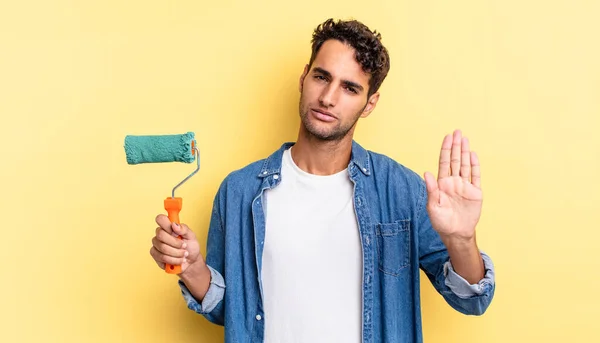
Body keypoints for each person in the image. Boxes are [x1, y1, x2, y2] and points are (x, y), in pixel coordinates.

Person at [149, 18, 495, 343]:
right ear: (304, 77)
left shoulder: (401, 191)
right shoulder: (239, 192)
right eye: (321, 77)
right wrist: (192, 268)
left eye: (349, 87)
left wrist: (462, 240)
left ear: (370, 103)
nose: (328, 98)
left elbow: (472, 301)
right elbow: (234, 313)